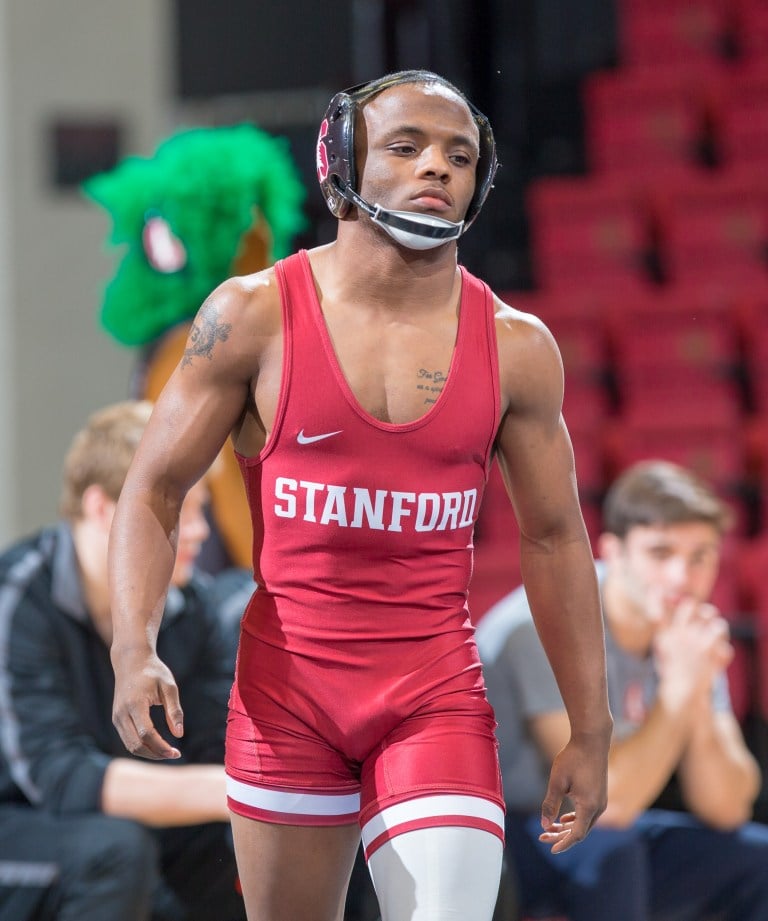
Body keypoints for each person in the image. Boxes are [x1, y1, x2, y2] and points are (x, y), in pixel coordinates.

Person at [108, 70, 612, 921]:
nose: (437, 169)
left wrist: (592, 726)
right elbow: (153, 489)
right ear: (339, 159)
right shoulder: (252, 316)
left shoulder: (516, 348)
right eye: (407, 147)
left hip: (434, 692)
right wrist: (133, 644)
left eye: (459, 156)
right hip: (286, 693)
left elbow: (557, 538)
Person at [477, 459, 768, 921]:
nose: (681, 578)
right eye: (660, 553)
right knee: (614, 847)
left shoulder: (685, 629)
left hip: (605, 828)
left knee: (757, 860)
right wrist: (678, 689)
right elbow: (593, 805)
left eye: (700, 556)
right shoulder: (545, 623)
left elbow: (728, 807)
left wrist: (691, 685)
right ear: (613, 551)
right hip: (501, 836)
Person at [0, 400, 247, 921]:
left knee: (250, 843)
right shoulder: (17, 596)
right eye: (182, 510)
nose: (201, 534)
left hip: (116, 822)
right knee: (113, 853)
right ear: (101, 508)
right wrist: (247, 791)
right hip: (19, 819)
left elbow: (203, 750)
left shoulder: (192, 607)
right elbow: (57, 778)